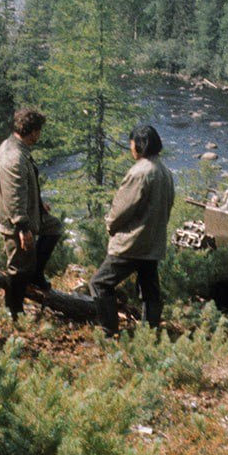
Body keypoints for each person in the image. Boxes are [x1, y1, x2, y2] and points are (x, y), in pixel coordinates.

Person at [90, 125, 176, 337]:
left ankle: (109, 334)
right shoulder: (165, 171)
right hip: (153, 242)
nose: (131, 148)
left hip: (132, 242)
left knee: (100, 283)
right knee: (150, 292)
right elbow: (169, 205)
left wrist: (110, 225)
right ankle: (149, 336)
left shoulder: (139, 172)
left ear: (139, 145)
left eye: (131, 144)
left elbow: (121, 209)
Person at [0, 108, 63, 319]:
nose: (39, 136)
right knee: (18, 266)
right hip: (14, 221)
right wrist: (22, 228)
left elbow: (24, 185)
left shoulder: (16, 148)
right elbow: (14, 195)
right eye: (38, 131)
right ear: (31, 131)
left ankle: (35, 274)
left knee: (54, 227)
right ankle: (13, 311)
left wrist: (39, 205)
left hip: (26, 214)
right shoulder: (13, 156)